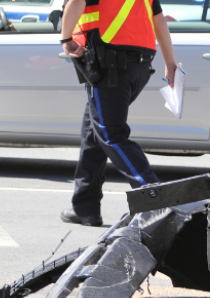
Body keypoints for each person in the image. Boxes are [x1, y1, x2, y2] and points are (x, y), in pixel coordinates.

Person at [59, 0, 176, 226]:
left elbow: (76, 2)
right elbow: (158, 19)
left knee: (111, 135)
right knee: (93, 133)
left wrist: (65, 39)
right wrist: (170, 62)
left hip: (110, 64)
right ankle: (86, 207)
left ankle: (155, 201)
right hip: (138, 66)